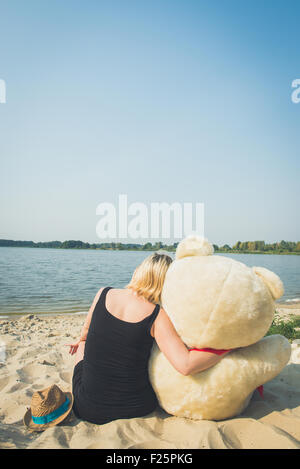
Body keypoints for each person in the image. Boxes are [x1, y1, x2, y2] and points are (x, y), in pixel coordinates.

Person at [66, 252, 230, 425]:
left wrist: (81, 341)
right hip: (134, 406)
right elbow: (186, 365)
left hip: (86, 408)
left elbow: (85, 332)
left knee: (83, 345)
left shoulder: (103, 293)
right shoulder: (157, 315)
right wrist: (226, 349)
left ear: (138, 271)